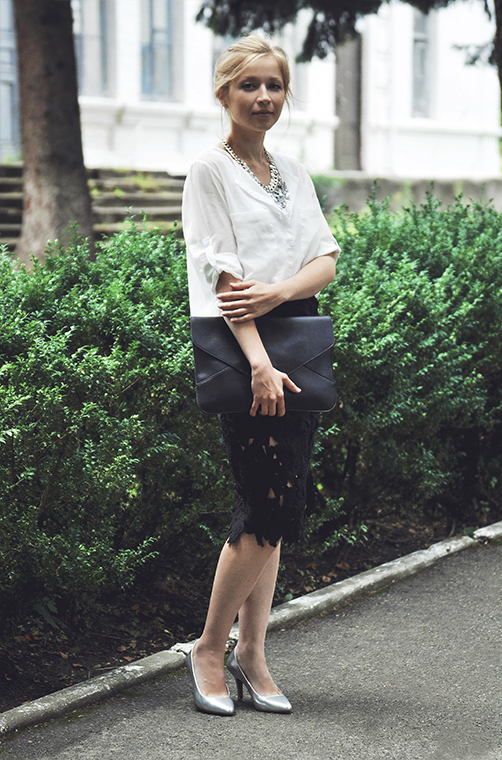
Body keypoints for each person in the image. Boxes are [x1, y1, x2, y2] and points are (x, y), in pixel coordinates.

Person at [181, 34, 340, 716]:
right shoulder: (209, 171)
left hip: (294, 334)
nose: (264, 98)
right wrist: (259, 364)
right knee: (264, 503)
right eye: (250, 86)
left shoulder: (292, 173)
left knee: (281, 506)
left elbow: (325, 259)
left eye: (274, 86)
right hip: (247, 350)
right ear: (224, 94)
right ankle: (210, 648)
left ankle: (253, 653)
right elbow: (223, 277)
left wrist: (278, 294)